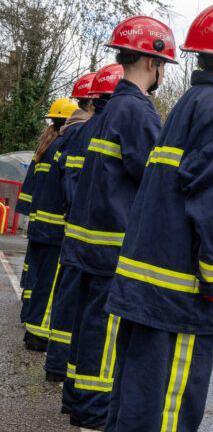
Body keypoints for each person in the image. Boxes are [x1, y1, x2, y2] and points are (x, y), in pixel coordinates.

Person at [104, 3, 213, 431]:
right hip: (183, 298)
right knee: (170, 412)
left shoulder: (188, 104)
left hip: (153, 293)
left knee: (136, 406)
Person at [59, 16, 176, 429]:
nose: (163, 73)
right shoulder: (136, 111)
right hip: (113, 245)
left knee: (88, 328)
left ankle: (78, 399)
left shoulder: (109, 110)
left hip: (89, 242)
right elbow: (155, 176)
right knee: (105, 336)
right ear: (152, 61)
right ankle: (92, 408)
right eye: (164, 65)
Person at [57, 63, 122, 416]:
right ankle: (91, 405)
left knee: (81, 320)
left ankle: (75, 394)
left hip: (81, 239)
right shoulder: (110, 126)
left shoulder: (87, 130)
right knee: (97, 327)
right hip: (104, 245)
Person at [37, 71, 98, 382]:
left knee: (61, 296)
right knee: (68, 299)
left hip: (68, 230)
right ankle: (60, 366)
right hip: (76, 231)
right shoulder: (83, 133)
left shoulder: (67, 135)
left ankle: (57, 363)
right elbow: (73, 183)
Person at [20, 97, 78, 351]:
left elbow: (30, 189)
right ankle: (38, 334)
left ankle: (29, 319)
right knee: (49, 283)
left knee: (34, 277)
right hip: (55, 229)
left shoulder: (45, 147)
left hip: (38, 226)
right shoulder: (63, 147)